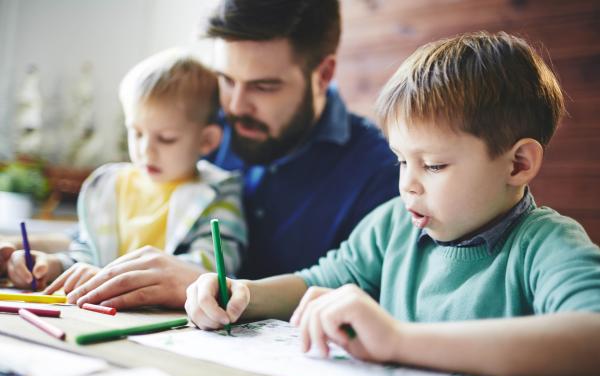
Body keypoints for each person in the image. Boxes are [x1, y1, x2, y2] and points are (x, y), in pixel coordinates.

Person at [185, 32, 600, 376]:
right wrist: (241, 294)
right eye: (402, 160)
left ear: (518, 163)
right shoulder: (394, 225)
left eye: (434, 165)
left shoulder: (544, 244)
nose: (407, 184)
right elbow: (320, 279)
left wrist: (399, 340)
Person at [62, 0, 398, 309]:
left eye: (263, 86)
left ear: (323, 74)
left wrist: (202, 283)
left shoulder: (379, 173)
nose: (236, 106)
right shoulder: (201, 129)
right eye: (226, 80)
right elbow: (101, 231)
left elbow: (367, 297)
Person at [5, 49, 246, 308]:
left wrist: (106, 277)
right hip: (97, 314)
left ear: (207, 140)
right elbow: (88, 253)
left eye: (166, 138)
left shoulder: (218, 193)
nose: (145, 150)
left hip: (166, 324)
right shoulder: (109, 187)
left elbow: (213, 271)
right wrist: (52, 266)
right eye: (137, 132)